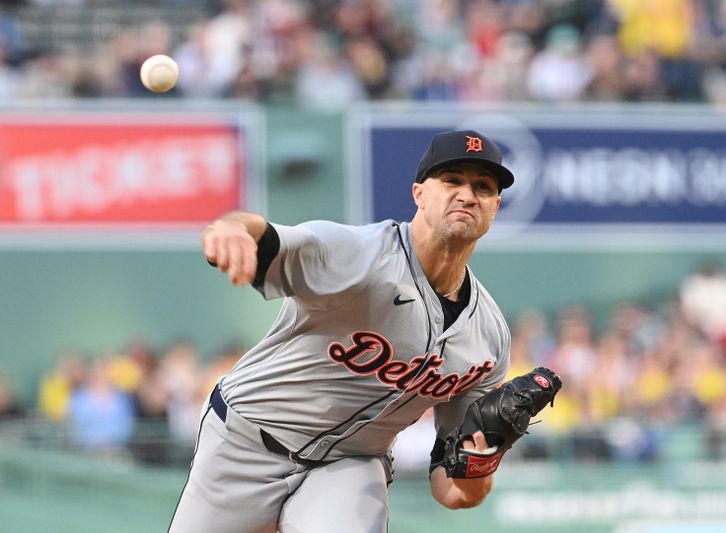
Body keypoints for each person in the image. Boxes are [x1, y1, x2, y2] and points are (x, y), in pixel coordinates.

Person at [170, 129, 556, 532]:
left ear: (495, 207)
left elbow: (450, 489)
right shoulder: (359, 254)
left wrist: (483, 461)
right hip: (247, 441)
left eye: (482, 186)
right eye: (452, 180)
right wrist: (233, 229)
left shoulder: (488, 338)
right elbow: (264, 234)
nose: (467, 194)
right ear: (419, 194)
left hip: (349, 464)